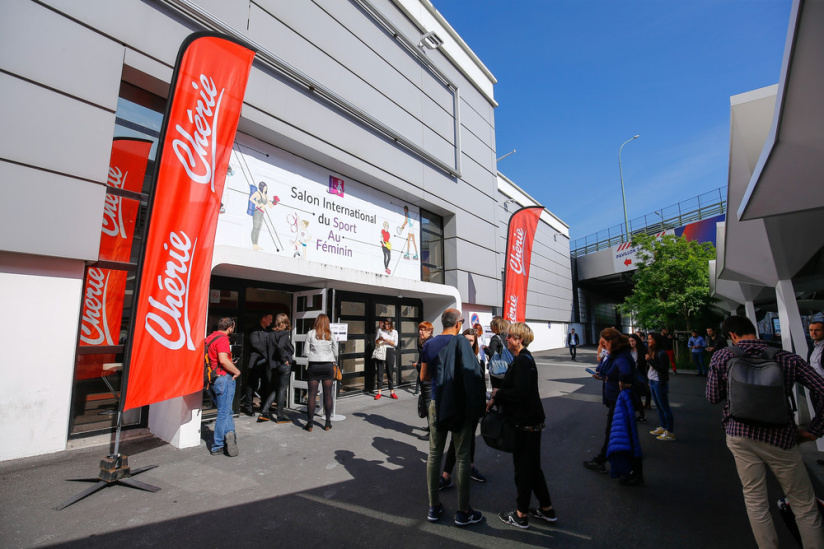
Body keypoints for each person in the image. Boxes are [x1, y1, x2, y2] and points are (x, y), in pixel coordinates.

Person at [707, 315, 824, 549]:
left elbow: (712, 397)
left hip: (740, 434)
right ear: (753, 330)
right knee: (803, 504)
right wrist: (814, 430)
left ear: (732, 335)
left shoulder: (723, 356)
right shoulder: (786, 358)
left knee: (755, 500)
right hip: (781, 437)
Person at [488, 322, 556, 529]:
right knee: (533, 468)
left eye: (510, 336)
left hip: (525, 423)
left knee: (524, 469)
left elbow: (520, 393)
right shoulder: (524, 359)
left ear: (520, 339)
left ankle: (521, 514)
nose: (506, 339)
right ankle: (547, 510)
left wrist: (499, 394)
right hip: (530, 421)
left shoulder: (523, 361)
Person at [422, 309, 485, 527]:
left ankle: (433, 506)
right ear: (458, 324)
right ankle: (463, 511)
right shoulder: (462, 343)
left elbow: (424, 376)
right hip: (459, 404)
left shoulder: (429, 344)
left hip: (437, 402)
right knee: (462, 456)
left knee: (434, 453)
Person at [440, 329, 487, 491]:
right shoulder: (456, 359)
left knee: (471, 439)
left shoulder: (478, 360)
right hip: (461, 408)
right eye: (465, 340)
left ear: (475, 343)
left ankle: (471, 467)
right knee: (456, 441)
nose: (467, 343)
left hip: (472, 408)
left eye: (471, 341)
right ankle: (446, 475)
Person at [584, 328, 635, 474]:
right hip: (617, 399)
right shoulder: (618, 355)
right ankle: (627, 466)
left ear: (611, 341)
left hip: (619, 400)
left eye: (605, 342)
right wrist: (606, 376)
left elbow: (625, 372)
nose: (603, 345)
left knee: (614, 432)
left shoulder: (620, 356)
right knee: (621, 433)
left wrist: (622, 381)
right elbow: (607, 370)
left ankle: (603, 461)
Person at [207, 317, 240, 457]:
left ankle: (230, 434)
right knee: (223, 413)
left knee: (226, 411)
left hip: (212, 380)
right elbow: (223, 360)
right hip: (223, 379)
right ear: (230, 328)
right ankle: (218, 445)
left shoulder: (209, 338)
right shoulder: (222, 339)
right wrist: (236, 371)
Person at [301, 314, 339, 432]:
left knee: (312, 394)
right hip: (327, 365)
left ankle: (310, 423)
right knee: (328, 394)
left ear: (316, 321)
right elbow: (336, 352)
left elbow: (305, 352)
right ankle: (327, 423)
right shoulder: (330, 334)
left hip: (314, 365)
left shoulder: (310, 333)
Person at [607, 374, 644, 486]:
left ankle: (634, 475)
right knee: (633, 446)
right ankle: (634, 474)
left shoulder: (624, 395)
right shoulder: (629, 393)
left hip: (623, 426)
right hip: (627, 426)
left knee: (628, 448)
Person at [258, 313, 293, 424]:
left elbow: (269, 350)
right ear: (285, 322)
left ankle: (264, 411)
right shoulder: (284, 333)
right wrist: (284, 359)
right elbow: (280, 346)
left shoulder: (271, 334)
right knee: (282, 390)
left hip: (274, 365)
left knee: (276, 389)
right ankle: (280, 416)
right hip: (283, 365)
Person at [646, 332, 675, 441]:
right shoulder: (653, 351)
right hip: (653, 381)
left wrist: (650, 361)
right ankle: (663, 427)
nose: (648, 341)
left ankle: (670, 432)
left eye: (650, 339)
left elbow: (663, 369)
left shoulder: (661, 353)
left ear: (656, 340)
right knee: (659, 407)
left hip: (659, 382)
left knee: (665, 408)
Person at [243, 313, 272, 416]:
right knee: (252, 384)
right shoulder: (254, 330)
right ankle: (248, 406)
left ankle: (264, 405)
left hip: (266, 362)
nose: (271, 321)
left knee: (266, 383)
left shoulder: (269, 331)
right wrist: (267, 354)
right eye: (269, 319)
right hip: (256, 361)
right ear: (263, 319)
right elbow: (255, 344)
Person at [374, 318, 398, 400]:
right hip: (381, 349)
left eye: (388, 324)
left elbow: (395, 344)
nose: (386, 326)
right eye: (385, 324)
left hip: (390, 350)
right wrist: (379, 339)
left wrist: (386, 340)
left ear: (391, 324)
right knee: (380, 371)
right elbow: (376, 341)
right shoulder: (380, 330)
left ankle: (392, 391)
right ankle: (379, 392)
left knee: (390, 371)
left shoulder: (394, 332)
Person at [484, 316, 510, 389]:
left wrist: (485, 349)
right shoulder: (508, 336)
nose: (490, 328)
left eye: (491, 326)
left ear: (496, 327)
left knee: (496, 389)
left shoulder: (495, 338)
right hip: (509, 366)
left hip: (498, 368)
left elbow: (491, 353)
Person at [627, 333, 648, 423]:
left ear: (637, 341)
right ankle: (635, 415)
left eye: (633, 341)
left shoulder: (642, 350)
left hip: (639, 375)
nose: (631, 343)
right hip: (630, 375)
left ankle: (642, 416)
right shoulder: (627, 351)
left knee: (637, 396)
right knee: (631, 396)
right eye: (630, 341)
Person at [413, 321, 434, 396]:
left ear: (429, 331)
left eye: (422, 330)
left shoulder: (430, 343)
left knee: (427, 404)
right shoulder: (426, 342)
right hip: (426, 379)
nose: (420, 332)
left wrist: (417, 365)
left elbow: (430, 364)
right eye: (419, 330)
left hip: (428, 381)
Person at [249, 181, 271, 250]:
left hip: (262, 213)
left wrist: (275, 202)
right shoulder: (257, 193)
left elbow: (270, 205)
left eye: (266, 188)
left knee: (259, 229)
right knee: (255, 227)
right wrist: (257, 204)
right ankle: (253, 244)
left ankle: (256, 244)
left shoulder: (266, 196)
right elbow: (251, 198)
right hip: (257, 211)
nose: (265, 189)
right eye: (264, 187)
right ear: (261, 187)